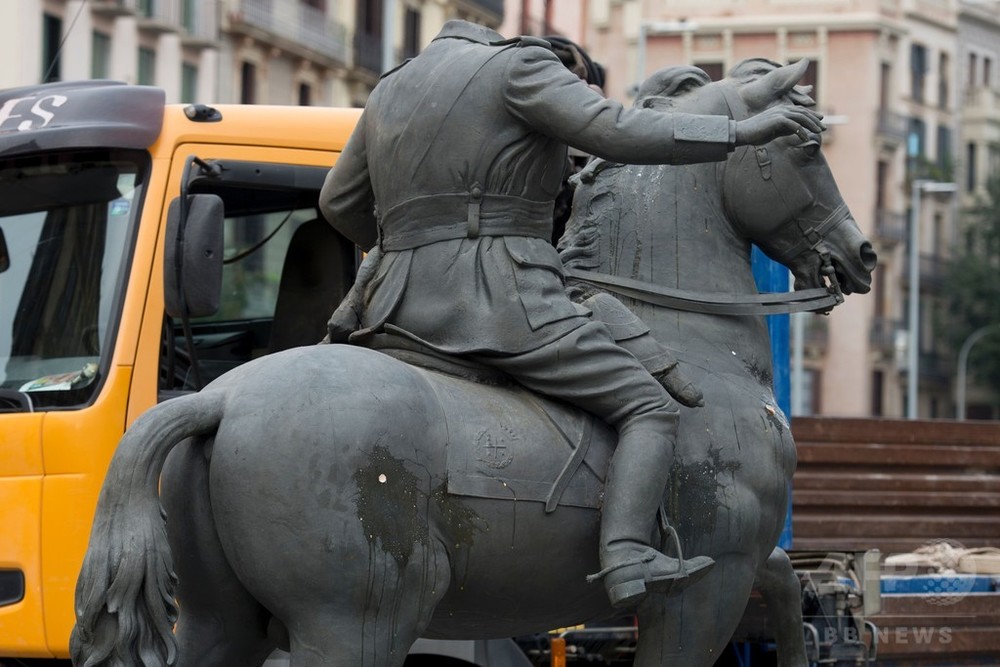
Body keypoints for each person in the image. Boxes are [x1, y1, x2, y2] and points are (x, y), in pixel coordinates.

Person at [319, 20, 824, 608]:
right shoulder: (520, 67)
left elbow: (337, 200)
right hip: (502, 300)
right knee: (649, 406)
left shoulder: (391, 86)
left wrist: (407, 251)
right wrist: (739, 132)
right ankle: (627, 554)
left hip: (390, 307)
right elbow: (615, 129)